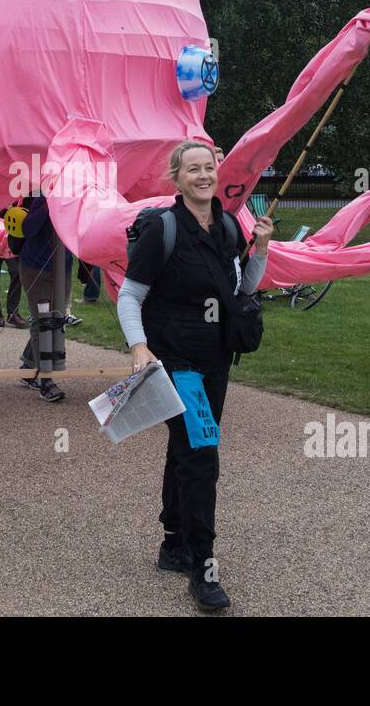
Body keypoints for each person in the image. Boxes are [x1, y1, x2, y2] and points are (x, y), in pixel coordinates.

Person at [118, 140, 273, 612]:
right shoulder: (161, 230)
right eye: (193, 169)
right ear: (177, 177)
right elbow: (130, 296)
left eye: (209, 168)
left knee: (185, 449)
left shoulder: (227, 225)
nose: (203, 176)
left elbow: (239, 290)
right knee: (202, 453)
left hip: (215, 360)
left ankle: (172, 543)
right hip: (175, 363)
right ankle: (203, 567)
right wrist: (139, 347)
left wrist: (260, 250)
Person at [17, 193, 73, 401]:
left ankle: (28, 365)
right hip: (35, 267)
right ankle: (46, 380)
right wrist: (50, 204)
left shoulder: (78, 197)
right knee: (44, 320)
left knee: (56, 318)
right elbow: (28, 228)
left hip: (63, 268)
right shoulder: (42, 197)